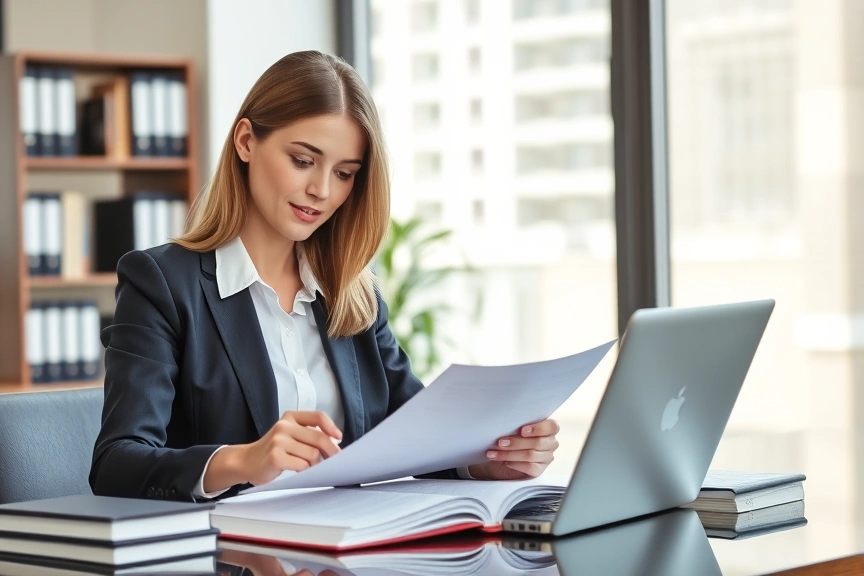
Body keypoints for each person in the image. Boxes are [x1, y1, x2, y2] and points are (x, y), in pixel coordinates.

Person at [89, 51, 560, 502]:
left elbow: (414, 435)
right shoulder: (163, 284)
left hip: (343, 550)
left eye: (345, 173)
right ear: (246, 142)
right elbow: (116, 463)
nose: (321, 191)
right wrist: (241, 461)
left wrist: (486, 461)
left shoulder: (353, 295)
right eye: (303, 160)